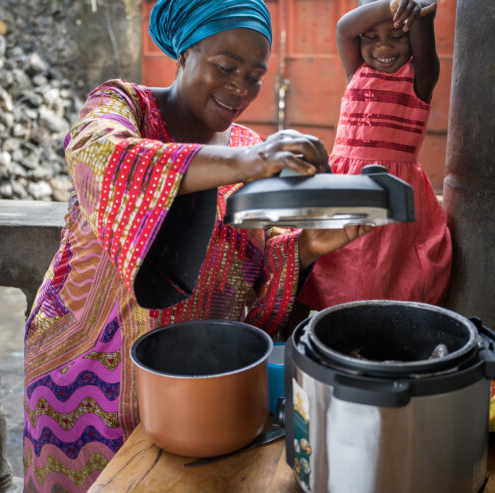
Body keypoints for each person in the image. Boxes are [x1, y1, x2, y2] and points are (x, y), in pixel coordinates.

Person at [22, 1, 370, 491]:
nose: (241, 88)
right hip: (86, 377)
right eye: (226, 67)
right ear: (184, 52)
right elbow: (99, 154)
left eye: (254, 75)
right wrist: (248, 161)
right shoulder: (124, 106)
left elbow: (252, 266)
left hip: (190, 381)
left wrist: (308, 245)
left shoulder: (246, 145)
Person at [297, 0, 452, 311]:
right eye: (371, 36)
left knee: (382, 276)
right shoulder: (357, 69)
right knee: (329, 264)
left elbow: (421, 17)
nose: (383, 46)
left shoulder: (420, 79)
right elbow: (344, 29)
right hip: (343, 188)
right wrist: (391, 6)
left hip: (390, 196)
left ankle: (376, 338)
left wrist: (416, 11)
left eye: (396, 36)